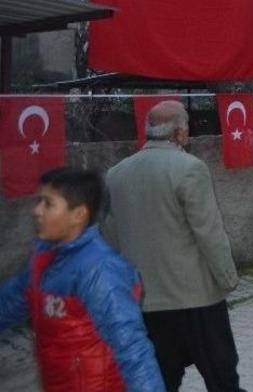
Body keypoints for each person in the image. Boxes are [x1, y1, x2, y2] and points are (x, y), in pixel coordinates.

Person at [102, 101, 243, 392]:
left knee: (160, 380)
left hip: (145, 302)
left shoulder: (115, 174)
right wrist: (228, 279)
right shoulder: (190, 169)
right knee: (222, 378)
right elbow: (209, 233)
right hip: (195, 299)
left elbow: (111, 237)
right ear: (179, 133)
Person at [0, 167, 165, 392]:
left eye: (48, 204)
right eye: (39, 201)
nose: (37, 211)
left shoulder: (99, 269)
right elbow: (8, 304)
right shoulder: (45, 260)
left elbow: (131, 348)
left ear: (78, 215)